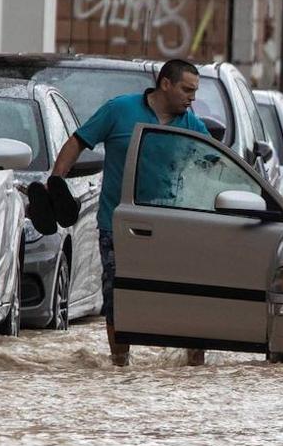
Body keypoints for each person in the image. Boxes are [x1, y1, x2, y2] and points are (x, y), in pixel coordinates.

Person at [50, 59, 211, 366]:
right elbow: (77, 142)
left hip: (174, 225)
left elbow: (214, 166)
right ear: (166, 84)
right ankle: (120, 364)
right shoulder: (119, 110)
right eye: (187, 89)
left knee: (187, 297)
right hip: (119, 223)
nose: (192, 97)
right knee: (117, 296)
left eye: (195, 91)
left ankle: (195, 367)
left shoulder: (193, 126)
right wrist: (56, 181)